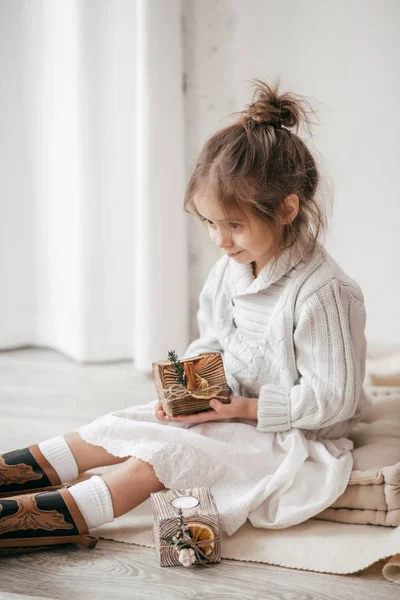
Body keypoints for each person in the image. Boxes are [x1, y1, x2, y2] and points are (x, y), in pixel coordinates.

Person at [0, 79, 370, 553]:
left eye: (234, 225)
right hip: (228, 408)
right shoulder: (230, 270)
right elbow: (211, 339)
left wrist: (248, 410)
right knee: (118, 427)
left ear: (286, 209)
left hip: (286, 434)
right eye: (210, 223)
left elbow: (333, 401)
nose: (220, 239)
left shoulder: (325, 294)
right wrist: (187, 390)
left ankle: (28, 523)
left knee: (158, 460)